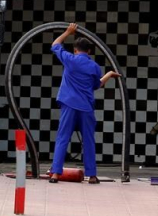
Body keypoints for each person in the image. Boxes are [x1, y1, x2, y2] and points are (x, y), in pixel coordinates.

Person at [49, 23, 120, 184]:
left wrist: (68, 31)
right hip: (86, 107)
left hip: (69, 105)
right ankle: (92, 175)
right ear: (89, 51)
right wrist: (109, 74)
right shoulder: (94, 67)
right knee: (88, 141)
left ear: (75, 50)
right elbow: (97, 85)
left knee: (62, 139)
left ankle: (55, 174)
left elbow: (55, 45)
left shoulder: (70, 60)